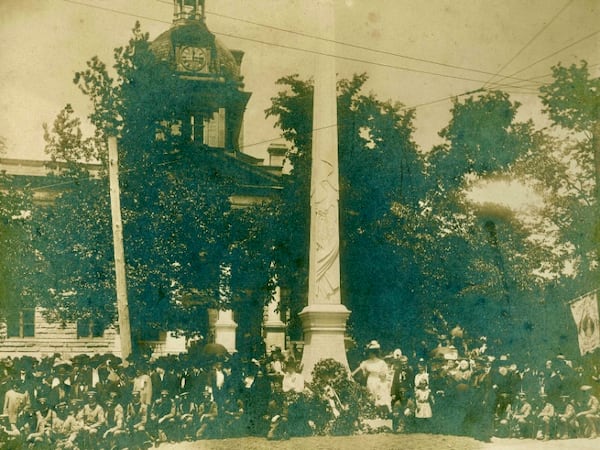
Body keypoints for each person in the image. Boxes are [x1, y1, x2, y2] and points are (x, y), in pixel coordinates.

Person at [351, 340, 388, 405]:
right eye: (369, 353)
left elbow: (385, 373)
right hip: (370, 380)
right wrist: (352, 374)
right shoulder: (367, 362)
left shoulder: (381, 362)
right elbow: (359, 368)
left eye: (372, 353)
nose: (370, 354)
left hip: (378, 380)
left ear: (375, 353)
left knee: (379, 396)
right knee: (370, 395)